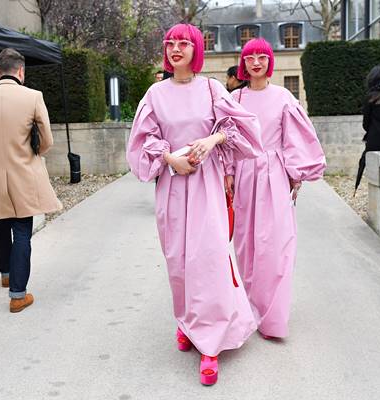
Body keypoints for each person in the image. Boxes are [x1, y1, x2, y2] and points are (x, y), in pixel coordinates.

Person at [126, 23, 262, 386]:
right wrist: (170, 159)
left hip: (207, 185)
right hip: (173, 184)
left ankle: (212, 344)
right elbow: (144, 140)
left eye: (183, 43)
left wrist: (212, 138)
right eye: (170, 43)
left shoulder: (212, 88)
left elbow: (240, 129)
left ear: (196, 49)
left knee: (209, 259)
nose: (175, 49)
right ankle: (187, 320)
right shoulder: (155, 94)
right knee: (179, 260)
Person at [229, 38, 326, 340]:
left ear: (269, 61)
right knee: (246, 244)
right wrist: (229, 173)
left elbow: (294, 138)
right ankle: (247, 307)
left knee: (275, 244)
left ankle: (271, 315)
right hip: (245, 173)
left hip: (273, 173)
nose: (255, 62)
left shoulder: (284, 97)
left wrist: (295, 174)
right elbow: (228, 139)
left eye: (261, 56)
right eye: (249, 57)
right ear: (243, 63)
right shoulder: (236, 99)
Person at [0, 48, 62, 313]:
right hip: (24, 174)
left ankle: (6, 273)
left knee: (0, 222)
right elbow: (47, 140)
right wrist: (31, 154)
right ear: (21, 71)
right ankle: (18, 295)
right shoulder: (33, 96)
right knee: (22, 231)